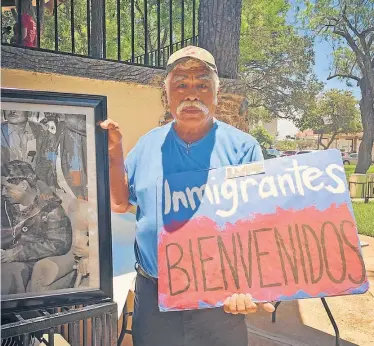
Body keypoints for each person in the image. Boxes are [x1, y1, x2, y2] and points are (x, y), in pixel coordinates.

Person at [100, 46, 275, 346]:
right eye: (181, 83)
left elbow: (256, 225)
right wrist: (114, 151)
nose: (191, 93)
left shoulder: (243, 149)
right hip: (154, 301)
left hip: (220, 303)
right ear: (167, 93)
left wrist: (252, 286)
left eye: (202, 84)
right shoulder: (146, 146)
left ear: (216, 94)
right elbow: (120, 203)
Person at [1, 160, 72, 295]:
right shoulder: (7, 207)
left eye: (7, 188)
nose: (3, 192)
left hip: (32, 261)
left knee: (10, 271)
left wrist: (16, 254)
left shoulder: (51, 209)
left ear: (23, 185)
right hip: (9, 256)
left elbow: (58, 244)